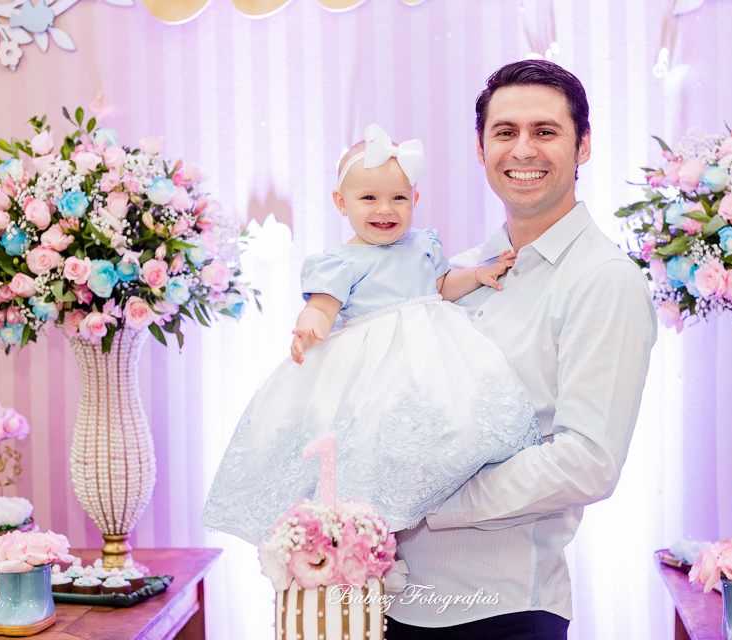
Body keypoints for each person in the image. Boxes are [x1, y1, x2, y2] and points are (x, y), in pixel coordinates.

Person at [383, 60, 657, 639]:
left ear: (583, 146)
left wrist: (434, 502)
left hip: (505, 614)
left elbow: (587, 460)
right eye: (505, 132)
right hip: (397, 601)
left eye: (546, 131)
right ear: (481, 149)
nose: (522, 150)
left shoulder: (605, 279)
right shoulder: (451, 273)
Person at [201, 124, 541, 545]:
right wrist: (311, 325)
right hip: (377, 362)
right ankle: (376, 540)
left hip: (435, 352)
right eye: (369, 198)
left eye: (398, 197)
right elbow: (324, 305)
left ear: (414, 200)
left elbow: (439, 287)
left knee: (449, 416)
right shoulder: (340, 261)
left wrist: (476, 275)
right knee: (374, 437)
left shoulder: (422, 245)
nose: (386, 209)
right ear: (341, 203)